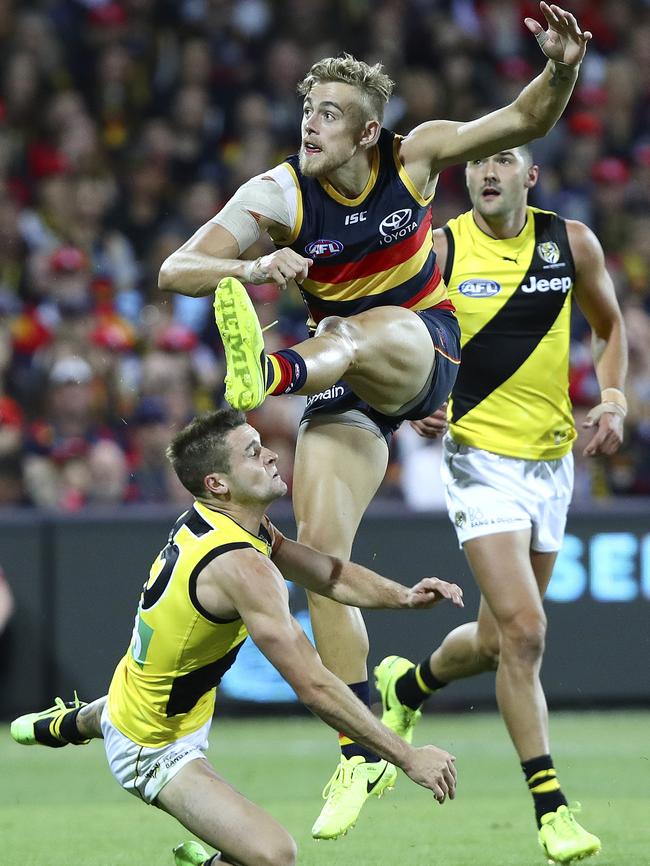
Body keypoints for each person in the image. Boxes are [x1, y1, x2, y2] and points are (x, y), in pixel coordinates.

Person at [158, 2, 592, 839]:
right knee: (319, 555)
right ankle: (364, 747)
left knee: (352, 332)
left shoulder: (416, 154)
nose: (309, 124)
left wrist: (563, 66)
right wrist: (254, 261)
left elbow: (527, 115)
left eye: (328, 113)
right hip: (345, 383)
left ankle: (270, 372)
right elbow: (181, 265)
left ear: (367, 133)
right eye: (306, 108)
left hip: (421, 349)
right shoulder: (280, 190)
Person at [11, 408, 463, 866]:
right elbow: (314, 684)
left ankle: (68, 724)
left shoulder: (228, 523)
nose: (270, 455)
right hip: (154, 746)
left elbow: (328, 575)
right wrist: (407, 756)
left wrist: (403, 596)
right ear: (218, 484)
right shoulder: (240, 567)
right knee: (274, 855)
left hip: (139, 689)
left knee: (122, 706)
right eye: (252, 452)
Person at [374, 145, 627, 864]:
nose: (488, 171)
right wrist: (416, 399)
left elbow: (608, 330)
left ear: (530, 176)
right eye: (478, 161)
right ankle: (551, 808)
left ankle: (409, 681)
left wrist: (612, 396)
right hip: (478, 461)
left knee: (497, 643)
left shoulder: (569, 242)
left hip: (552, 464)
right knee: (526, 631)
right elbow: (398, 337)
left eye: (504, 159)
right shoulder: (443, 248)